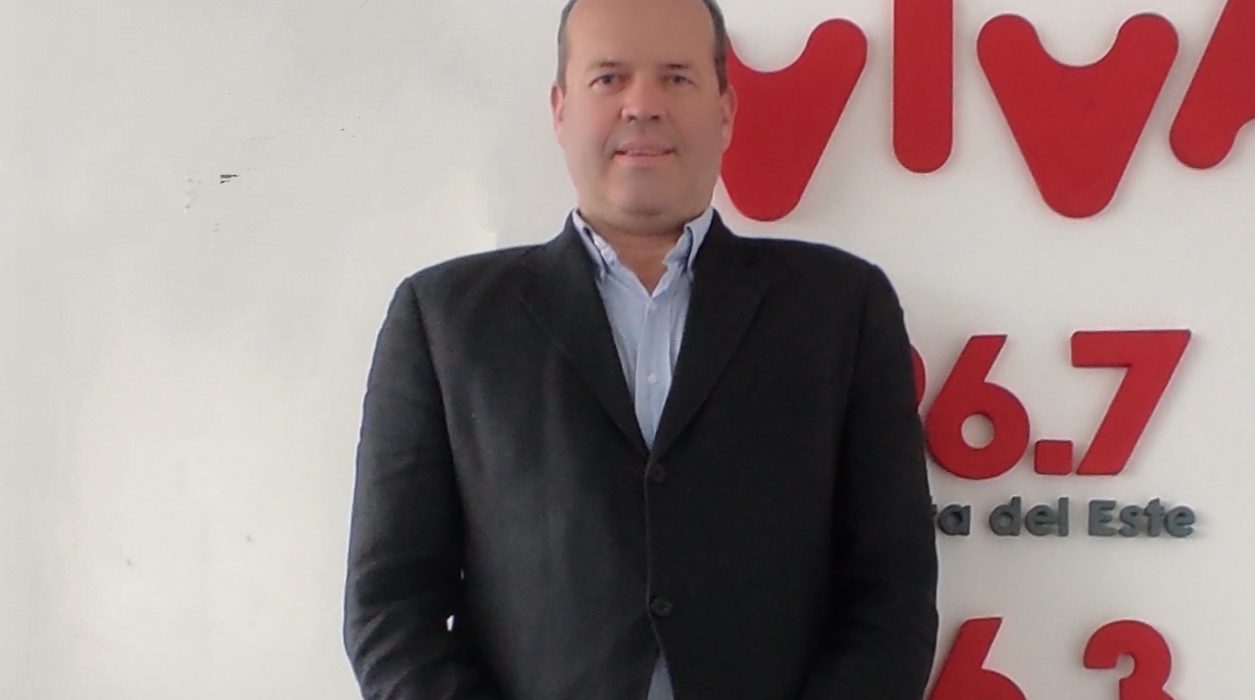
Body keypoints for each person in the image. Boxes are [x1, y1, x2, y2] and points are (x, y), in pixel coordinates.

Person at [341, 0, 939, 696]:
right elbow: (390, 607)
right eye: (609, 78)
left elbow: (891, 592)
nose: (643, 105)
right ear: (560, 110)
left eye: (677, 78)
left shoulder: (842, 309)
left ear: (725, 110)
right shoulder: (444, 320)